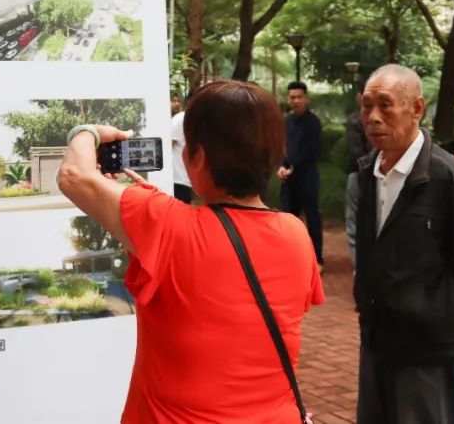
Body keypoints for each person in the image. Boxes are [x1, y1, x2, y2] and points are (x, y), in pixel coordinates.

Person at [58, 80, 324, 423]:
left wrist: (88, 132)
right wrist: (153, 212)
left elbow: (73, 174)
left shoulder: (166, 225)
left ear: (195, 157)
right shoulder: (296, 234)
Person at [354, 64, 454, 424]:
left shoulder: (452, 180)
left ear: (417, 108)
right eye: (366, 106)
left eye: (385, 105)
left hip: (428, 347)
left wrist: (451, 326)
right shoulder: (369, 172)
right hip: (377, 337)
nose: (373, 117)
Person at [278, 81, 324, 269]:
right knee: (288, 220)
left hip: (307, 177)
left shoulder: (313, 122)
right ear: (288, 99)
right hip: (288, 179)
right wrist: (281, 167)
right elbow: (282, 147)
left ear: (306, 99)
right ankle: (290, 258)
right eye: (292, 97)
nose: (296, 101)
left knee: (312, 218)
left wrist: (293, 167)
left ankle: (317, 259)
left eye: (299, 97)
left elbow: (311, 151)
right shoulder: (285, 121)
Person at [345, 82, 372, 263]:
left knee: (355, 221)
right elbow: (356, 152)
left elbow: (356, 153)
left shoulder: (356, 120)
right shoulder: (356, 120)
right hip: (364, 174)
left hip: (366, 174)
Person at [170, 92, 193, 203]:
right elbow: (167, 146)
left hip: (184, 180)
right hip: (178, 180)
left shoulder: (190, 119)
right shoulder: (181, 119)